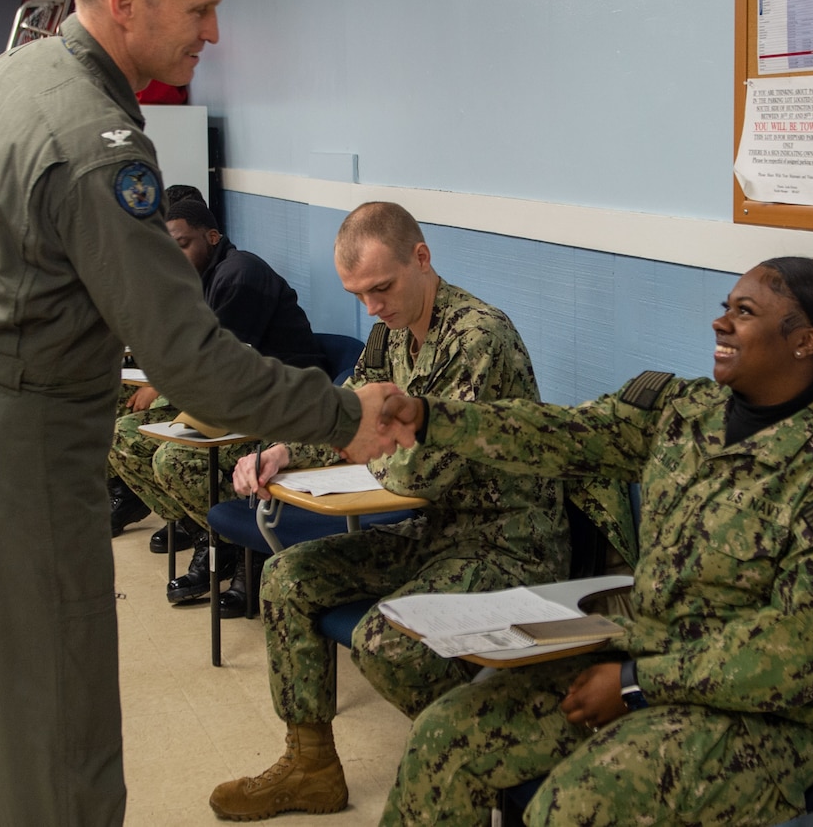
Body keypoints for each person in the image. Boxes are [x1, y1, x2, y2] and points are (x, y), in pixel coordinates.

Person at [0, 0, 396, 827]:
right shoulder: (99, 147)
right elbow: (195, 363)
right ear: (125, 0)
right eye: (199, 10)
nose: (215, 32)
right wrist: (344, 415)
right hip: (25, 441)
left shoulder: (16, 73)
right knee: (60, 737)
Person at [374, 257, 813, 826]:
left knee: (574, 807)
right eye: (726, 307)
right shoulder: (683, 410)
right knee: (445, 737)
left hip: (766, 721)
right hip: (644, 656)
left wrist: (635, 684)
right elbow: (561, 435)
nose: (720, 323)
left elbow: (797, 656)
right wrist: (432, 418)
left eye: (744, 313)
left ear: (806, 341)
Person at [207, 201, 575, 821]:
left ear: (421, 259)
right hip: (432, 531)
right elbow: (353, 412)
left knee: (387, 644)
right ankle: (312, 767)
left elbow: (424, 471)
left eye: (381, 288)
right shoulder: (392, 330)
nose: (372, 307)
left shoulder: (478, 337)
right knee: (287, 579)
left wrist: (358, 451)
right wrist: (283, 451)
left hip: (506, 541)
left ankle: (484, 759)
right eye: (360, 295)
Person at [108, 194, 325, 546]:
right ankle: (195, 526)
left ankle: (228, 542)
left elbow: (218, 364)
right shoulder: (196, 277)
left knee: (160, 453)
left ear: (212, 237)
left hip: (275, 406)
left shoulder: (239, 274)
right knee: (113, 416)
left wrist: (159, 388)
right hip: (234, 397)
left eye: (182, 245)